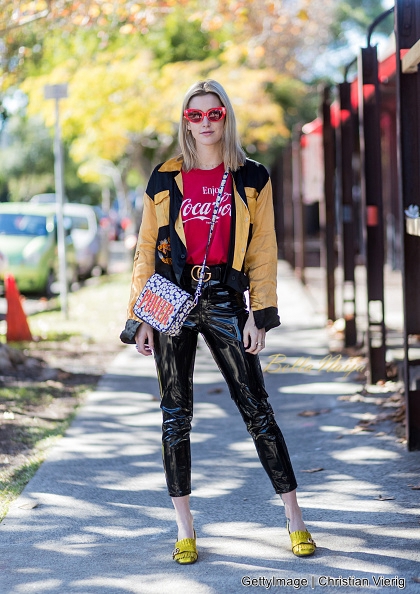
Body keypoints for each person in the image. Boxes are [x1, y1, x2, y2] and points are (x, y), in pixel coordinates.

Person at [120, 79, 316, 564]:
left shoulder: (251, 177)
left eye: (214, 113)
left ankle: (295, 518)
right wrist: (139, 315)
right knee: (175, 413)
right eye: (195, 115)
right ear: (185, 121)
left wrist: (260, 316)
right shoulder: (166, 176)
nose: (205, 122)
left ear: (226, 116)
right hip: (171, 296)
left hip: (225, 297)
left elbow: (264, 249)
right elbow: (147, 249)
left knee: (257, 408)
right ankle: (184, 528)